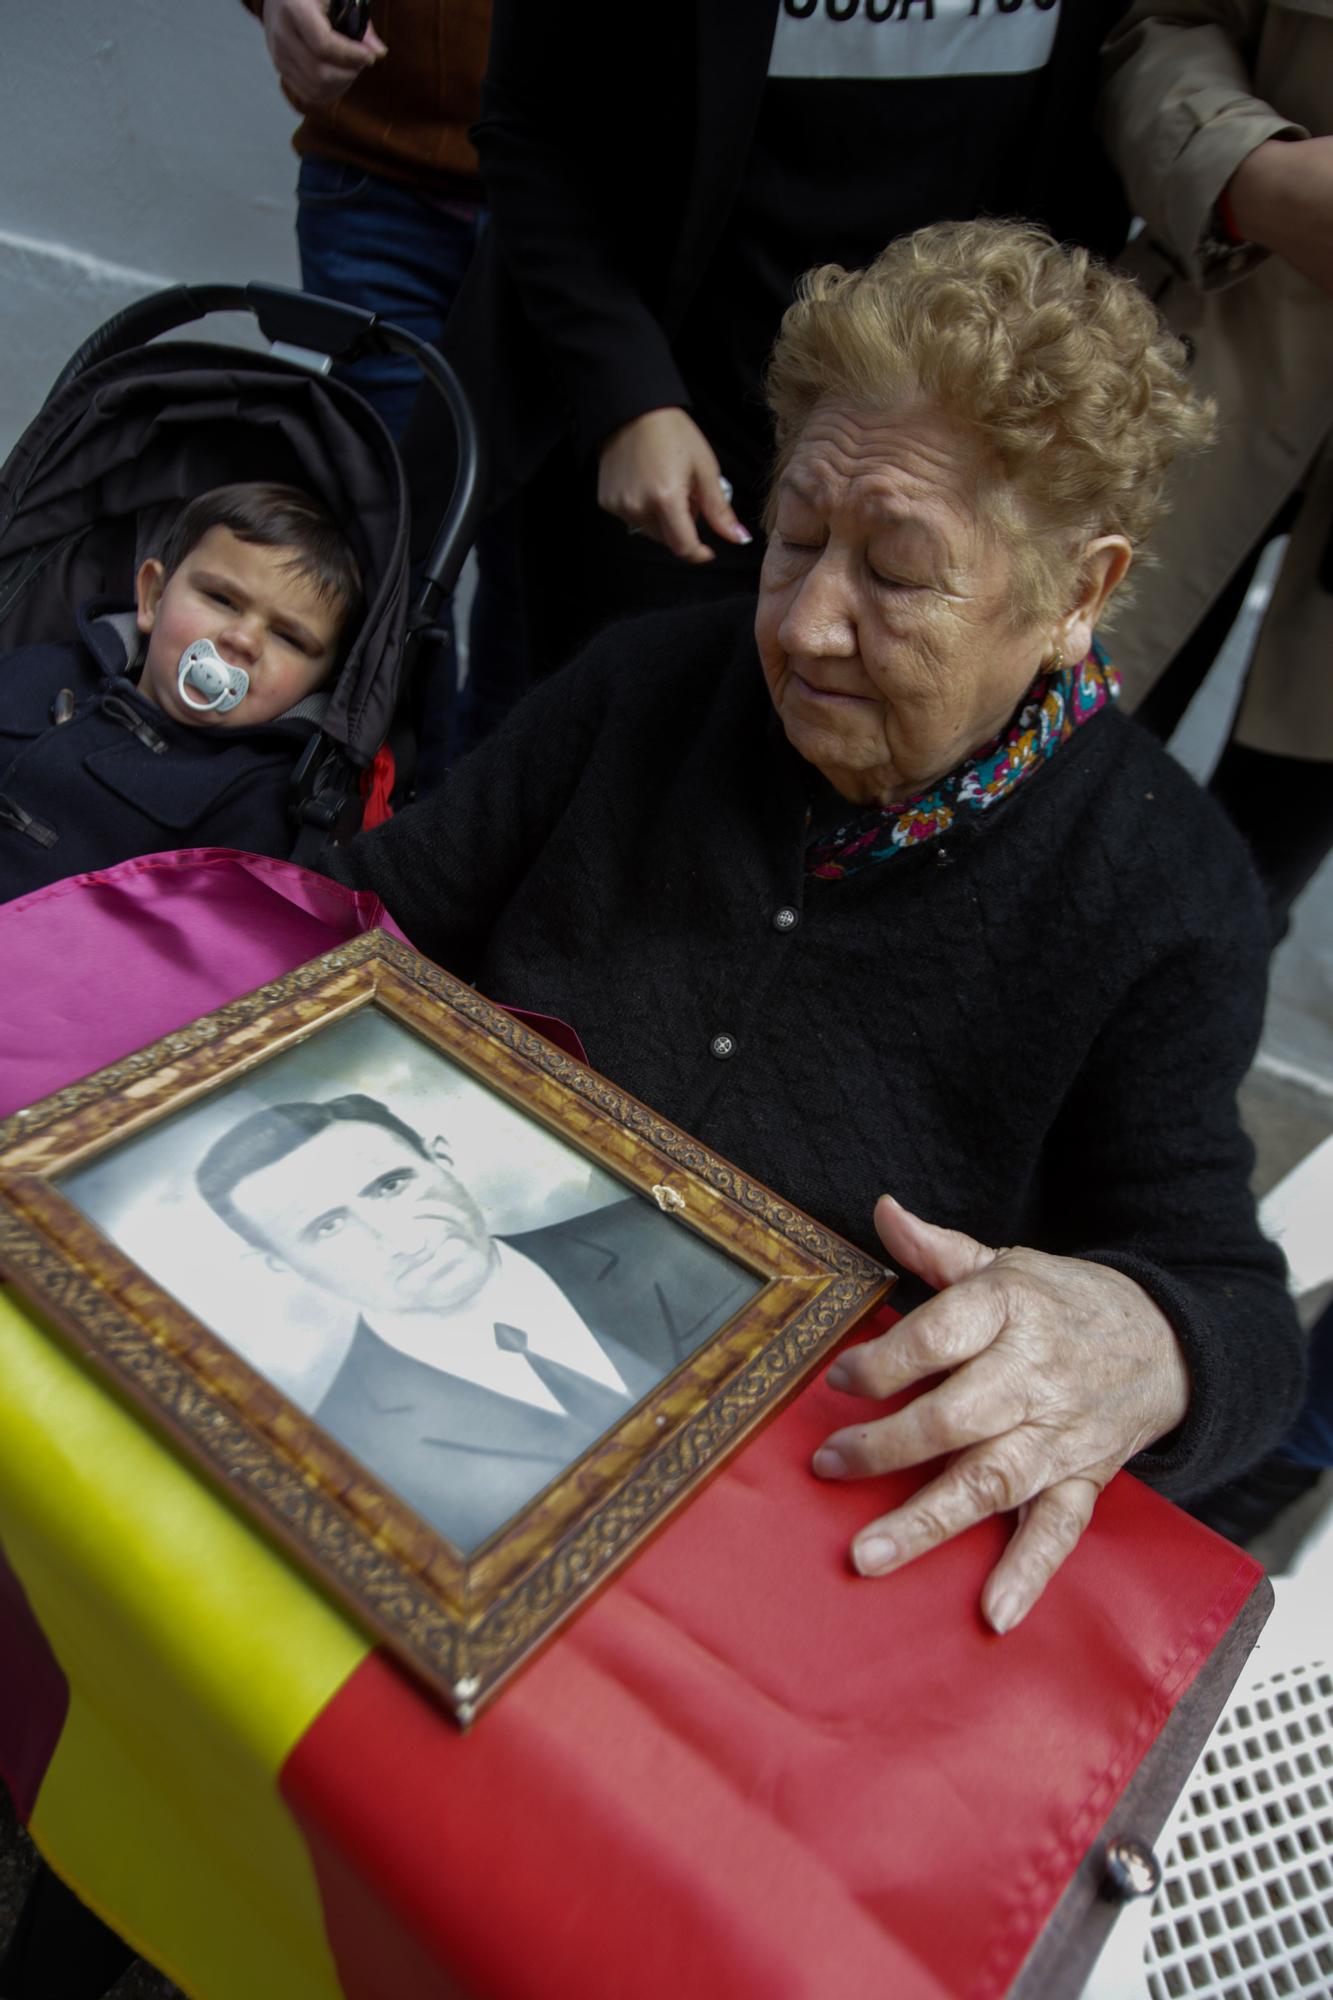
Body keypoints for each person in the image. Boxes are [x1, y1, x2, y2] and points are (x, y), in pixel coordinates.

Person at [326, 220, 1306, 1635]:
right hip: (437, 1386)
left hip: (770, 1533)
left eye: (897, 571)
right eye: (795, 538)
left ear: (1076, 594)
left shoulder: (1163, 889)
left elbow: (1231, 1306)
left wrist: (1145, 1341)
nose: (803, 628)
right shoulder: (651, 682)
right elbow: (367, 918)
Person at [425, 0, 1134, 680]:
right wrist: (627, 396)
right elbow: (531, 123)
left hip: (962, 438)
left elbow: (1105, 129)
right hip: (679, 414)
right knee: (628, 746)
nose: (809, 629)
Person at [196, 1092, 757, 1550]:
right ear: (279, 1264)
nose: (400, 1238)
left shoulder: (676, 1240)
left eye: (391, 1185)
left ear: (440, 1159)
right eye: (327, 1227)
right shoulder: (344, 1467)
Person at [1098, 0, 1333, 937]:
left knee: (1230, 911)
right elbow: (1156, 23)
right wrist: (1244, 171)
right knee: (1001, 786)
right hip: (1207, 353)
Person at [241, 0, 522, 767]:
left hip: (570, 197)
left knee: (537, 562)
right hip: (376, 174)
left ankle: (499, 812)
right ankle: (402, 811)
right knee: (395, 544)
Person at [0, 483, 361, 904]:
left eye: (288, 637)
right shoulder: (44, 667)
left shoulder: (256, 799)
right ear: (153, 597)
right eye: (222, 599)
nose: (243, 639)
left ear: (318, 684)